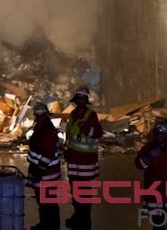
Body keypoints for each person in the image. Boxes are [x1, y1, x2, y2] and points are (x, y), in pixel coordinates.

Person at [134, 121, 167, 229]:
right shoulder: (148, 148)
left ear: (166, 134)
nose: (158, 135)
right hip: (155, 197)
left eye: (160, 133)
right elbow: (138, 164)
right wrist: (149, 156)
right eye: (156, 133)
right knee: (158, 226)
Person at [64, 84, 102, 230]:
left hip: (85, 162)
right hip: (74, 160)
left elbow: (98, 133)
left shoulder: (90, 115)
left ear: (86, 100)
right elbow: (70, 136)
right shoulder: (73, 114)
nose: (80, 101)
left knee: (84, 192)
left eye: (82, 98)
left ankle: (84, 220)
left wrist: (85, 128)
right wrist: (66, 152)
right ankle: (78, 216)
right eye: (78, 98)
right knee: (75, 191)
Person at [26, 102, 62, 230]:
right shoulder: (40, 128)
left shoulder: (48, 131)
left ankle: (50, 225)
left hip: (46, 172)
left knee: (47, 201)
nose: (39, 118)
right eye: (37, 115)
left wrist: (40, 170)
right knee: (43, 201)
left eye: (41, 115)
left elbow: (48, 153)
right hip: (42, 171)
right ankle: (46, 224)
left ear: (46, 116)